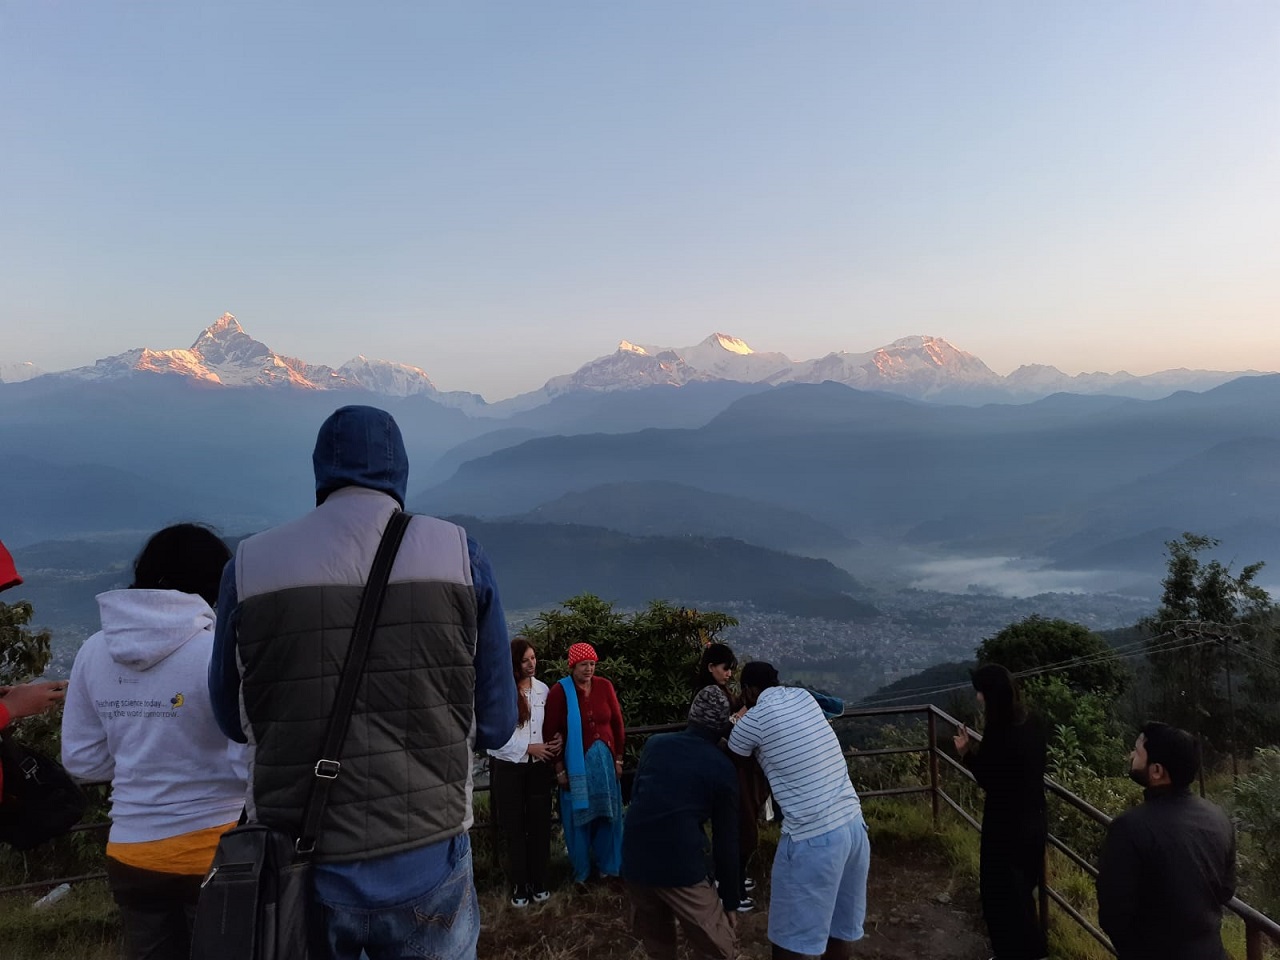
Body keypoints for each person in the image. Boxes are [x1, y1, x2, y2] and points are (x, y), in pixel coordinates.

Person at [208, 405, 518, 960]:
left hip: (302, 866)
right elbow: (495, 725)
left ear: (320, 471)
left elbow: (232, 718)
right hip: (429, 853)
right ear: (400, 470)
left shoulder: (250, 566)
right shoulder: (460, 555)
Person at [61, 523, 247, 960]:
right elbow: (248, 759)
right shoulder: (217, 651)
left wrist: (142, 757)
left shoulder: (92, 651)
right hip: (215, 852)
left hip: (131, 854)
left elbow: (82, 760)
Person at [728, 661, 869, 960]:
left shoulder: (755, 719)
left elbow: (735, 754)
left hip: (812, 838)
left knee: (789, 942)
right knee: (837, 931)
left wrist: (739, 718)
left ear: (750, 690)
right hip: (854, 825)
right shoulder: (804, 697)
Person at [1096, 722, 1236, 960]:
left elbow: (1113, 914)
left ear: (1157, 770)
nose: (1131, 755)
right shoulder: (1219, 818)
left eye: (1138, 751)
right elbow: (1226, 890)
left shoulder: (1129, 827)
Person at [622, 686, 740, 960]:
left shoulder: (656, 744)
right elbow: (727, 841)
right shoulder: (722, 768)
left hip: (634, 857)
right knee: (719, 950)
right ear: (722, 727)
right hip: (680, 864)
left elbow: (639, 796)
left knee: (659, 946)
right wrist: (731, 900)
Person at [952, 664, 1048, 960]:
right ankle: (1033, 952)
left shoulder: (1000, 731)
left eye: (980, 692)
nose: (978, 698)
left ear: (990, 695)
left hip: (1005, 828)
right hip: (1035, 820)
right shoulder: (1033, 721)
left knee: (1000, 898)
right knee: (1023, 896)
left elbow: (988, 778)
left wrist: (966, 752)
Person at [487, 637, 562, 907]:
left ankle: (539, 881)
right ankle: (519, 884)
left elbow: (550, 725)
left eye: (534, 658)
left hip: (538, 770)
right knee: (514, 828)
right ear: (515, 664)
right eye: (526, 660)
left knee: (540, 825)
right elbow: (494, 737)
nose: (532, 664)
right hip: (509, 768)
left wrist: (556, 741)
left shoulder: (543, 690)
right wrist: (528, 748)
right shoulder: (501, 693)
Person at [543, 641, 625, 883]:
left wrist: (619, 758)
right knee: (578, 817)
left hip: (605, 764)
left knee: (609, 816)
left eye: (592, 664)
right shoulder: (561, 691)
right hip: (576, 766)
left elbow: (617, 724)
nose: (589, 669)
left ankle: (610, 867)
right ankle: (582, 872)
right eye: (583, 665)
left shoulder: (605, 686)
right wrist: (559, 769)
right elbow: (551, 730)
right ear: (573, 666)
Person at [694, 642, 762, 911]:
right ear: (711, 667)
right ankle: (727, 885)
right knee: (732, 827)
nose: (729, 673)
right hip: (721, 766)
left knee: (733, 826)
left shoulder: (716, 690)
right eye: (725, 668)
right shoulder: (711, 693)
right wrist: (742, 714)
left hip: (725, 766)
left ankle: (731, 878)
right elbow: (720, 731)